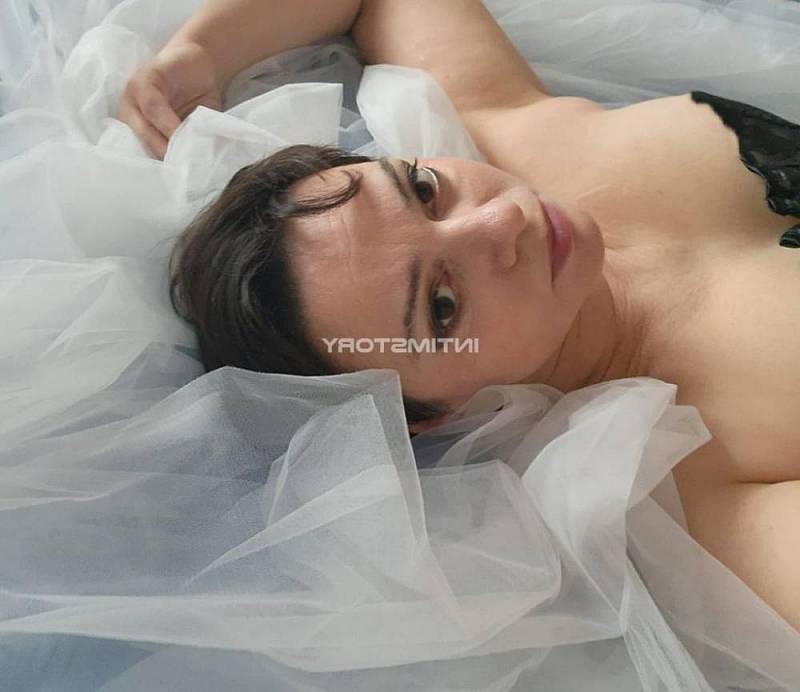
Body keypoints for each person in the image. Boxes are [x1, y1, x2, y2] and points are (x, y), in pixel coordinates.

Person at [118, 0, 800, 632]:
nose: (502, 217)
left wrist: (203, 48)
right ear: (433, 416)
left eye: (422, 190)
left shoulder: (513, 131)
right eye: (442, 306)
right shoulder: (709, 488)